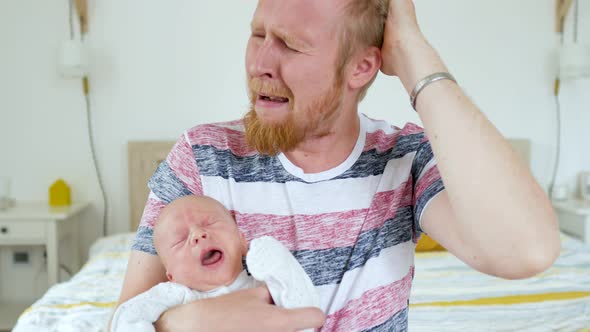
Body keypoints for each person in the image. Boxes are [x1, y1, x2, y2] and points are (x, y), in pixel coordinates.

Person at [113, 0, 561, 331]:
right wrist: (188, 325)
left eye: (289, 44)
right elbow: (125, 321)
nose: (259, 64)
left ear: (362, 67)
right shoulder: (201, 156)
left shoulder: (403, 160)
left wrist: (411, 51)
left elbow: (528, 250)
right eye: (257, 35)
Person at [110, 195, 319, 332]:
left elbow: (307, 313)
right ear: (171, 274)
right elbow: (127, 316)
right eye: (180, 239)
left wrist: (270, 254)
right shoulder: (176, 295)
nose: (199, 235)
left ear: (241, 239)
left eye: (210, 222)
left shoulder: (264, 286)